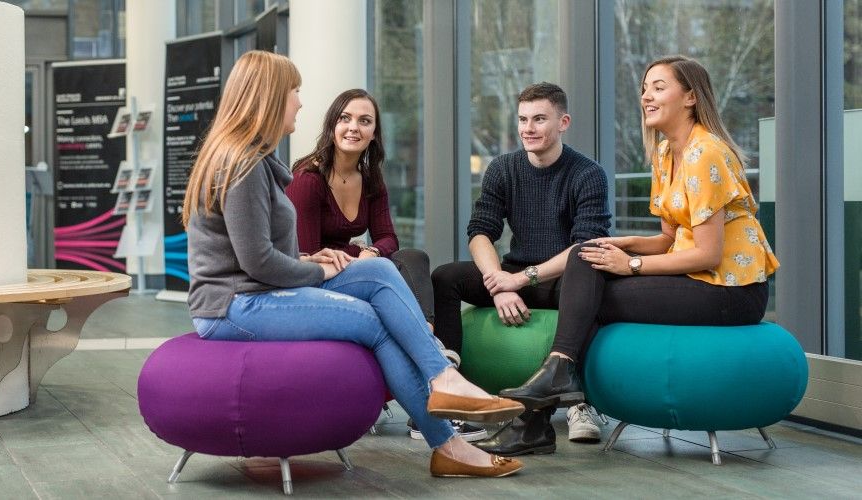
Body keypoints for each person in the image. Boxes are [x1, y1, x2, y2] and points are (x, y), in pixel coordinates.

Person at [183, 50, 524, 478]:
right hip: (232, 307)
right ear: (269, 99)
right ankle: (448, 435)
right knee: (372, 319)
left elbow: (257, 253)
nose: (300, 103)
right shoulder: (242, 165)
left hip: (254, 293)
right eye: (294, 92)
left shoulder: (253, 159)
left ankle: (443, 380)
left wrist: (310, 257)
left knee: (380, 269)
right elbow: (258, 264)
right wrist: (320, 270)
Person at [499, 56, 779, 422]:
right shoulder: (665, 152)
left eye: (659, 88)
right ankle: (554, 385)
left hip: (730, 290)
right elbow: (668, 239)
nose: (646, 96)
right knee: (586, 254)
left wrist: (630, 265)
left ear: (691, 97)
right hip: (695, 279)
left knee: (589, 296)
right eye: (644, 89)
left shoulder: (705, 152)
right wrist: (623, 244)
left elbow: (709, 255)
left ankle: (539, 410)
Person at [286, 89, 483, 442]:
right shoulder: (308, 179)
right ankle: (438, 364)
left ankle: (428, 337)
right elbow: (307, 253)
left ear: (375, 133)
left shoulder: (370, 177)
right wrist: (360, 259)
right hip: (319, 277)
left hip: (359, 266)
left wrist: (371, 253)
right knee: (385, 272)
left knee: (414, 257)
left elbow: (389, 238)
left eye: (364, 121)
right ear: (332, 124)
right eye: (345, 118)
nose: (353, 128)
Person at [431, 82, 612, 457]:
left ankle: (583, 401)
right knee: (446, 277)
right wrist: (499, 284)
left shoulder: (587, 173)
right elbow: (480, 231)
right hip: (516, 274)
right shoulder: (503, 169)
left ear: (563, 122)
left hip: (565, 279)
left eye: (540, 119)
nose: (529, 128)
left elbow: (583, 248)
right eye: (523, 119)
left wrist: (521, 279)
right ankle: (455, 394)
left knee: (590, 274)